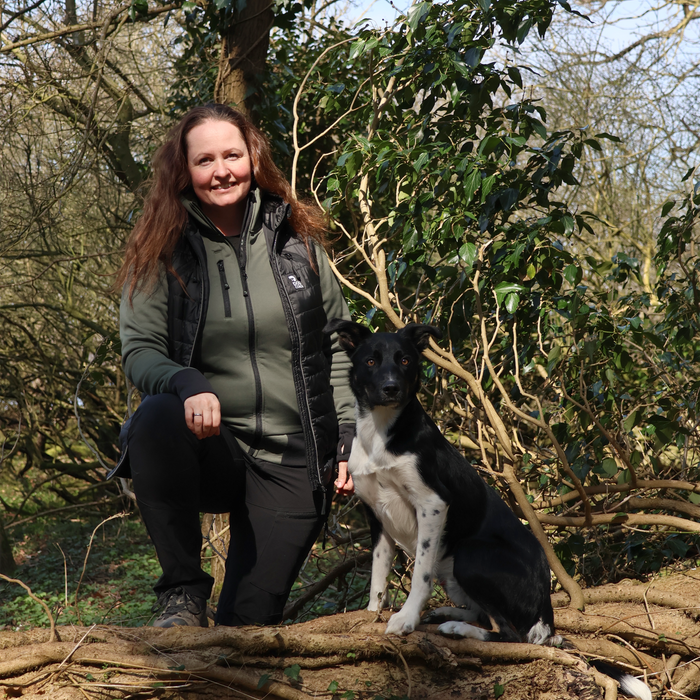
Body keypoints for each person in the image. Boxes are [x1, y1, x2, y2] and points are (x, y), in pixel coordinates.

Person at [111, 103, 355, 628]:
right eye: (205, 160)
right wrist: (186, 381)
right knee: (154, 418)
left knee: (245, 630)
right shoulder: (162, 248)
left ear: (253, 158)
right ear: (185, 170)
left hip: (293, 458)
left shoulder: (299, 241)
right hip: (209, 447)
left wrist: (348, 436)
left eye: (231, 155)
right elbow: (140, 351)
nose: (221, 170)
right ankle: (181, 594)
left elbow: (336, 345)